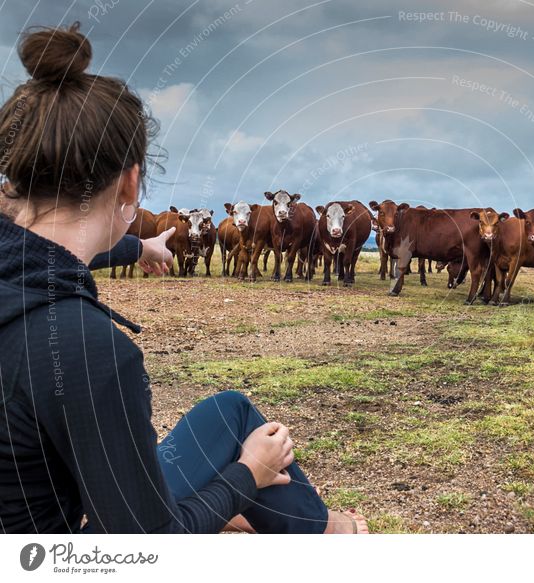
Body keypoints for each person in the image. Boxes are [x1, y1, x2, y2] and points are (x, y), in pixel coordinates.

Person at [0, 23, 368, 534]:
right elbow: (149, 548)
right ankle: (333, 537)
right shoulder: (88, 350)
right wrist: (247, 476)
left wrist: (139, 246)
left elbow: (43, 250)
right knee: (239, 422)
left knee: (228, 411)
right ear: (130, 183)